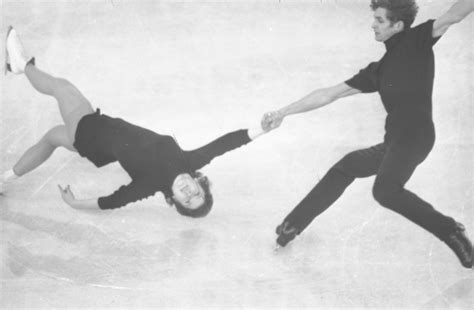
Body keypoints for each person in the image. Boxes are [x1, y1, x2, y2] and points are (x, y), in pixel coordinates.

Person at [262, 0, 473, 268]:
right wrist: (283, 112)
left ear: (398, 25)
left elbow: (455, 14)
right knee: (345, 167)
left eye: (379, 20)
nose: (373, 24)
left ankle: (450, 230)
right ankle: (292, 225)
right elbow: (328, 94)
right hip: (394, 143)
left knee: (385, 190)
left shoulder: (418, 40)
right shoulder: (378, 70)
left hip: (416, 136)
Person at [2, 26, 269, 218]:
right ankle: (5, 179)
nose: (189, 193)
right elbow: (225, 145)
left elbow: (113, 201)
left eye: (186, 200)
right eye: (196, 194)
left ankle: (21, 65)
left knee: (62, 89)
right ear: (200, 183)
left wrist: (75, 204)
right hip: (98, 142)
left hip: (91, 133)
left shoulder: (151, 183)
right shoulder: (191, 161)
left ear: (174, 200)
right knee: (51, 139)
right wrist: (261, 129)